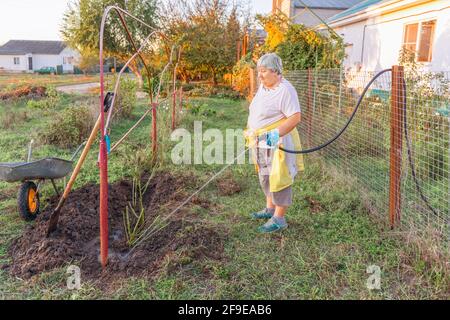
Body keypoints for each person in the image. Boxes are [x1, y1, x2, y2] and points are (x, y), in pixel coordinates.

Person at [245, 52, 304, 233]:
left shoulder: (285, 90)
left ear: (276, 71)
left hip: (277, 141)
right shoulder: (265, 86)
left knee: (279, 178)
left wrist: (272, 136)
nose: (259, 75)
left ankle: (279, 218)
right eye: (259, 71)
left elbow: (295, 118)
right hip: (260, 140)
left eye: (263, 71)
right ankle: (270, 208)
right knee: (265, 175)